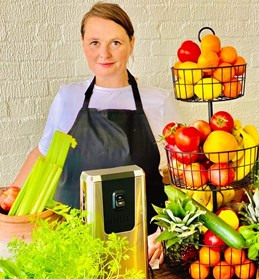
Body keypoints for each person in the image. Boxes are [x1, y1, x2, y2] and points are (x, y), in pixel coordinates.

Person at [10, 2, 181, 266]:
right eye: (94, 43)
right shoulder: (68, 97)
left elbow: (183, 179)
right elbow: (42, 155)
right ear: (82, 44)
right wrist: (12, 208)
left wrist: (166, 233)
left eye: (115, 42)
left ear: (132, 43)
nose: (104, 53)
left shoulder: (158, 101)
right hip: (70, 246)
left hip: (139, 249)